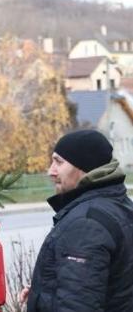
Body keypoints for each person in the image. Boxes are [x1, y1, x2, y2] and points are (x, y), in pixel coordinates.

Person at [22, 129, 133, 311]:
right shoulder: (119, 206)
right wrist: (41, 295)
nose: (51, 171)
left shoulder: (86, 223)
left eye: (59, 162)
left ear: (83, 167)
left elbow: (77, 304)